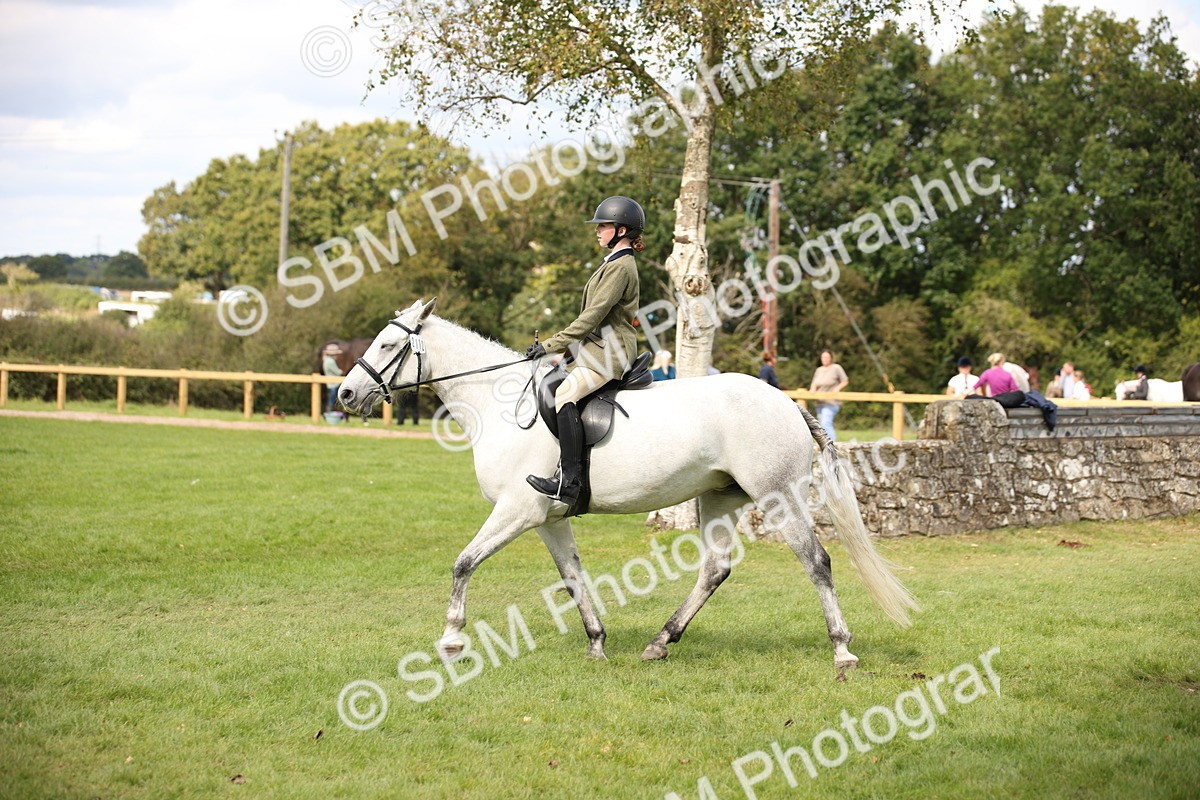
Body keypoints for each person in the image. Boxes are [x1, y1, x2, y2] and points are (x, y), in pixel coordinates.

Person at [524, 196, 644, 507]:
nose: (597, 230)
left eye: (603, 226)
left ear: (621, 230)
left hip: (610, 352)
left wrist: (549, 345)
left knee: (565, 395)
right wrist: (564, 353)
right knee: (551, 383)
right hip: (595, 348)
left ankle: (570, 482)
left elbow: (592, 317)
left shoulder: (620, 268)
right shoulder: (613, 263)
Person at [809, 350, 849, 441]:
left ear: (831, 358)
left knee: (825, 423)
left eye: (827, 357)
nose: (825, 359)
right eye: (823, 357)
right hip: (819, 402)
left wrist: (837, 388)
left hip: (831, 402)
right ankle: (825, 444)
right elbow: (814, 383)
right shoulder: (819, 370)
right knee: (820, 426)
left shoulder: (836, 368)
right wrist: (812, 389)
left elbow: (845, 380)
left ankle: (833, 444)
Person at [322, 345, 343, 413]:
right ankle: (329, 413)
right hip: (333, 384)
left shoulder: (327, 360)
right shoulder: (330, 361)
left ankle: (329, 413)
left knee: (331, 399)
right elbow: (337, 372)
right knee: (332, 400)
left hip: (330, 383)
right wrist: (341, 371)